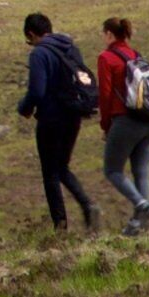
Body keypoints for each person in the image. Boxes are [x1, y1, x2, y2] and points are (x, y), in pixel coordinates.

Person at [14, 13, 98, 234]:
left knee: (50, 172)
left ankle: (60, 227)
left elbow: (37, 91)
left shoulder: (39, 54)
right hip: (73, 116)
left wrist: (24, 107)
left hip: (51, 119)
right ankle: (88, 205)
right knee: (62, 167)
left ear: (31, 34)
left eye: (28, 39)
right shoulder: (70, 47)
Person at [95, 15, 149, 233]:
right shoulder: (136, 55)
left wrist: (105, 126)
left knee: (113, 170)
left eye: (103, 34)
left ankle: (141, 205)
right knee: (141, 172)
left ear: (109, 34)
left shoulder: (106, 58)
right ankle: (140, 227)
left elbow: (104, 95)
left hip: (125, 121)